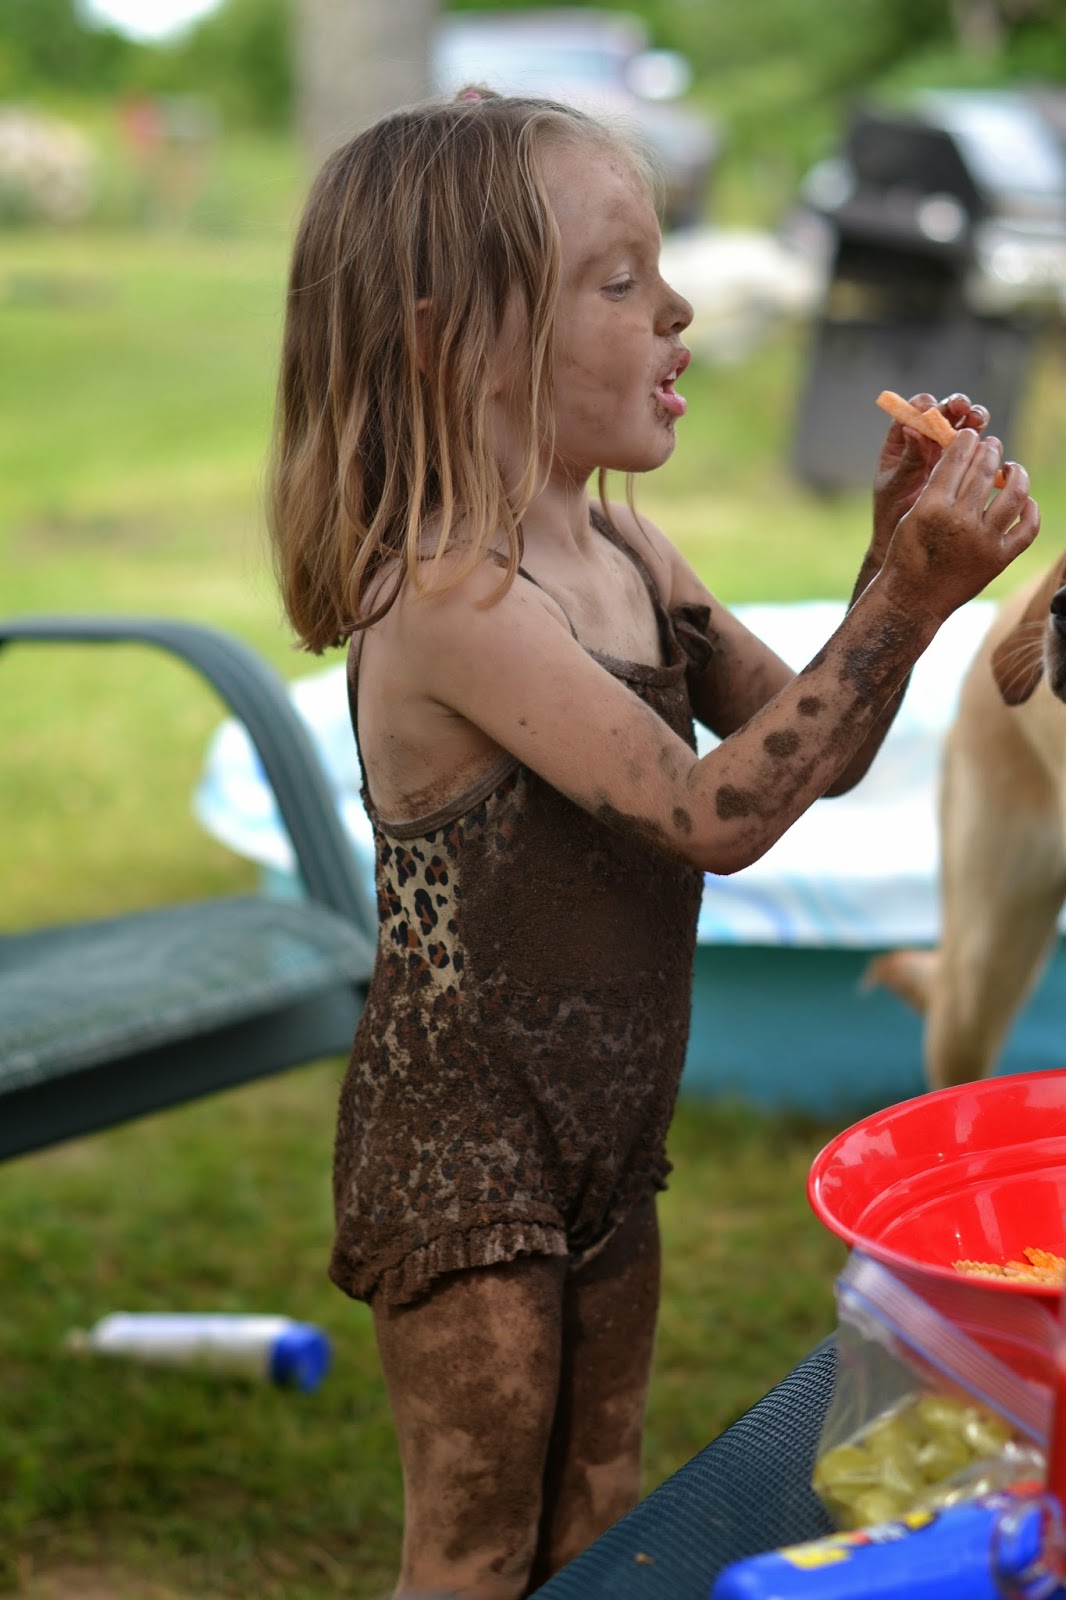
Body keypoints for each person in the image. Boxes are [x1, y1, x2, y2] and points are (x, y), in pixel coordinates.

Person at [267, 89, 1039, 1600]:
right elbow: (714, 819)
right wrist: (906, 602)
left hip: (608, 1133)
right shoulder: (457, 598)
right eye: (620, 283)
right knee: (476, 1544)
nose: (677, 310)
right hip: (467, 1152)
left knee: (600, 1505)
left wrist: (889, 570)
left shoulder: (626, 549)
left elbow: (813, 757)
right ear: (455, 344)